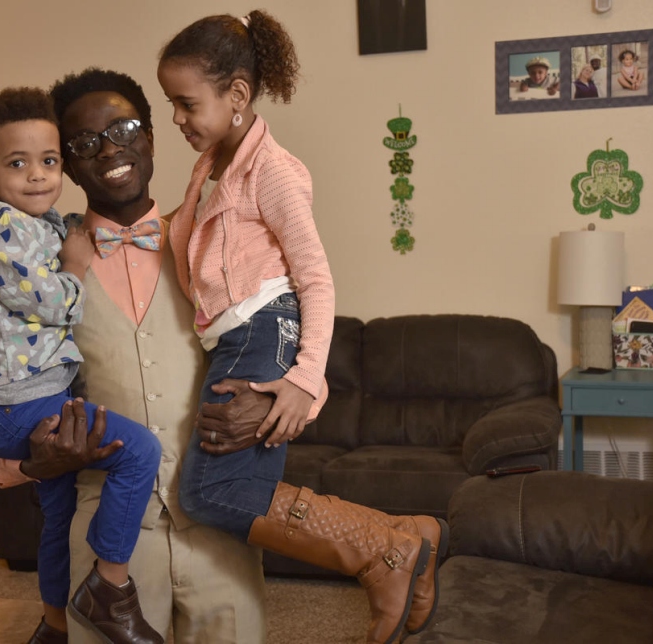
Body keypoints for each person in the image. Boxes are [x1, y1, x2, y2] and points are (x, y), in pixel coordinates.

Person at [156, 11, 447, 644]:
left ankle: (384, 554)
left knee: (211, 492)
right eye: (170, 104)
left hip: (262, 331)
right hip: (237, 335)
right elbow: (183, 233)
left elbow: (315, 280)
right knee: (228, 489)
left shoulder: (274, 172)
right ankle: (404, 537)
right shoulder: (212, 164)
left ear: (236, 95)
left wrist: (304, 382)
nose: (175, 117)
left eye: (186, 103)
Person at [0, 68, 277, 644]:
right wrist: (34, 461)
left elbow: (285, 343)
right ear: (65, 163)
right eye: (84, 143)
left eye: (125, 128)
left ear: (152, 139)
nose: (110, 149)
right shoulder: (30, 265)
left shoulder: (216, 242)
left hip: (218, 526)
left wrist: (285, 398)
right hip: (108, 539)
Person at [0, 87, 164, 644]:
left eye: (48, 162)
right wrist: (75, 265)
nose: (38, 176)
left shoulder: (33, 221)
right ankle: (109, 586)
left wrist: (73, 232)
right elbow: (52, 301)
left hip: (30, 393)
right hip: (17, 403)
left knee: (58, 513)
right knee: (140, 451)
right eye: (16, 164)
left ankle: (52, 625)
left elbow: (56, 237)